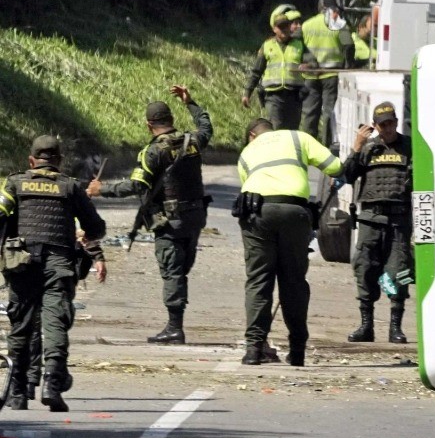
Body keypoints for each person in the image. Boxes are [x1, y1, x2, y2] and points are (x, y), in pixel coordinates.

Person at [87, 86, 212, 344]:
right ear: (171, 120)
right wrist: (191, 103)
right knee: (181, 270)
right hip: (196, 216)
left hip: (170, 221)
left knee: (172, 272)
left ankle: (174, 327)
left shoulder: (153, 152)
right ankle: (175, 322)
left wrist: (102, 190)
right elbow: (206, 127)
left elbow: (136, 185)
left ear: (148, 125)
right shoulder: (192, 142)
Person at [1, 136, 107, 412]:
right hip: (58, 265)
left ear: (32, 161)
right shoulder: (70, 187)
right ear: (59, 161)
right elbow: (96, 227)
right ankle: (52, 384)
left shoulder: (15, 183)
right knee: (55, 325)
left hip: (22, 263)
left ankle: (17, 393)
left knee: (20, 328)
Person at [235, 119, 343, 366]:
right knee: (293, 282)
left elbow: (247, 186)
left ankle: (254, 349)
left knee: (258, 280)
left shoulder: (246, 152)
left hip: (257, 215)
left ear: (252, 135)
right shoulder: (298, 137)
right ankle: (297, 351)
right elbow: (334, 166)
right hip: (294, 212)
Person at [341, 102, 413, 344]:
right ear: (376, 125)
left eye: (391, 122)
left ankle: (395, 327)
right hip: (370, 218)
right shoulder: (368, 148)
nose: (388, 128)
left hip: (398, 220)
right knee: (365, 269)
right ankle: (366, 326)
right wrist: (356, 147)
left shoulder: (410, 147)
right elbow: (347, 175)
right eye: (383, 124)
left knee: (399, 272)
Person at [242, 4, 306, 131]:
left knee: (292, 132)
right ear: (274, 29)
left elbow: (311, 65)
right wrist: (247, 93)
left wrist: (308, 66)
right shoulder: (267, 46)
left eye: (286, 26)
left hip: (294, 96)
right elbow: (256, 72)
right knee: (276, 130)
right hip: (273, 97)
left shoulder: (299, 45)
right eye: (280, 27)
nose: (283, 30)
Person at [299, 2, 354, 146]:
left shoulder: (306, 25)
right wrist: (348, 66)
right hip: (331, 74)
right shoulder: (338, 24)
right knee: (330, 112)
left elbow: (299, 47)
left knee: (310, 112)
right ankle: (327, 146)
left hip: (310, 75)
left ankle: (307, 146)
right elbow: (349, 47)